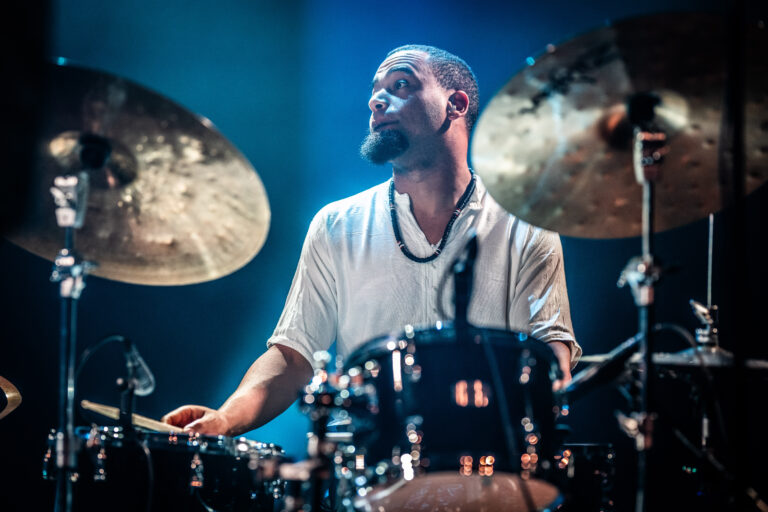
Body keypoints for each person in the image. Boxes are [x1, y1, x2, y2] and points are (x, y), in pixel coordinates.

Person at [163, 44, 581, 436]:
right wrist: (225, 418)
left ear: (456, 104)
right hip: (369, 474)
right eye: (376, 92)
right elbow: (293, 358)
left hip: (489, 466)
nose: (377, 101)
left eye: (401, 85)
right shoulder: (336, 224)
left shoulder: (525, 225)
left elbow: (551, 352)